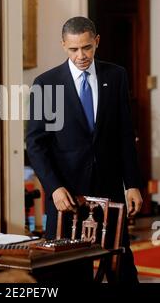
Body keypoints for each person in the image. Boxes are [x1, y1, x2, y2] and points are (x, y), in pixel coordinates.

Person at [26, 16, 143, 283]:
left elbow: (125, 135)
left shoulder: (116, 76)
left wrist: (132, 184)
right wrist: (53, 187)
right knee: (66, 273)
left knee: (122, 270)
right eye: (74, 49)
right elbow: (36, 144)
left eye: (87, 48)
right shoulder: (47, 84)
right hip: (66, 195)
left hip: (110, 192)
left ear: (96, 42)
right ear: (63, 46)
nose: (81, 56)